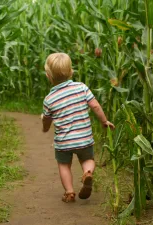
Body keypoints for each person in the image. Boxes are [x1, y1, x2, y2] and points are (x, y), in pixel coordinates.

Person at [41, 53, 115, 203]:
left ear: (48, 76)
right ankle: (87, 173)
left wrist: (45, 127)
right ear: (71, 72)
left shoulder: (49, 99)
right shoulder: (81, 87)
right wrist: (104, 121)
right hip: (84, 138)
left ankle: (69, 192)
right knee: (87, 159)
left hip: (63, 142)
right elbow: (95, 105)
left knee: (64, 165)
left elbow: (47, 120)